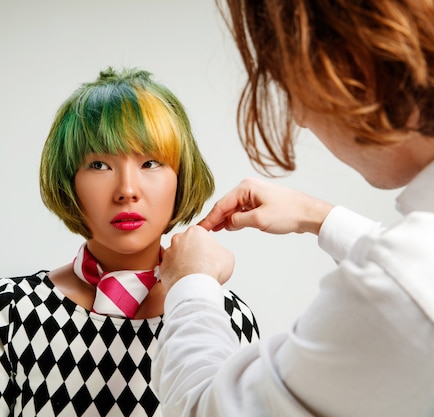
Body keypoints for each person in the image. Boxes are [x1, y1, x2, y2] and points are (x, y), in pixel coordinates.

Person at [151, 0, 434, 416]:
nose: (299, 116)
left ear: (350, 63)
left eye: (293, 82)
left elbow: (208, 408)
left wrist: (190, 284)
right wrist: (317, 216)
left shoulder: (401, 289)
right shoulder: (20, 303)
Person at [0, 67, 259, 417]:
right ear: (68, 181)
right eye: (98, 164)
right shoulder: (7, 312)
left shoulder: (226, 317)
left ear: (181, 176)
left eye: (151, 162)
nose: (127, 190)